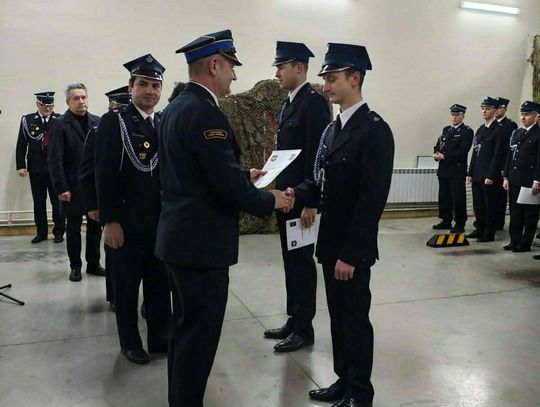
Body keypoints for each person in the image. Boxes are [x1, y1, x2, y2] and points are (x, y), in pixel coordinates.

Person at [156, 30, 293, 406]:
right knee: (198, 339)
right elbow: (225, 188)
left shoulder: (177, 107)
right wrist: (271, 200)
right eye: (231, 66)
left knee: (184, 332)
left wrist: (242, 175)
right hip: (201, 248)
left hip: (178, 240)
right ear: (214, 65)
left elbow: (195, 173)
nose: (234, 75)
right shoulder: (205, 112)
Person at [290, 43, 394, 407]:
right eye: (325, 79)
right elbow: (322, 183)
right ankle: (343, 380)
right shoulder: (334, 129)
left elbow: (371, 201)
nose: (326, 86)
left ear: (355, 78)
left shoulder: (374, 130)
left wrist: (351, 254)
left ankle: (360, 393)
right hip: (330, 243)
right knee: (338, 317)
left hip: (351, 249)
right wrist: (292, 193)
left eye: (332, 79)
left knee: (354, 319)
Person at [95, 55, 172, 365]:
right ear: (131, 87)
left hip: (159, 222)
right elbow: (104, 174)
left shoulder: (162, 121)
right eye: (143, 84)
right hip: (126, 223)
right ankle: (130, 343)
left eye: (155, 85)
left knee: (158, 284)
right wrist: (110, 220)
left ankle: (160, 338)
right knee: (126, 288)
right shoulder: (114, 122)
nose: (150, 91)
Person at [263, 41, 331, 352]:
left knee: (302, 264)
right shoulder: (290, 102)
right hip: (286, 197)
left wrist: (311, 202)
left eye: (281, 66)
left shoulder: (313, 103)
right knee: (290, 262)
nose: (277, 72)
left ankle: (304, 329)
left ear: (299, 68)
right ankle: (294, 319)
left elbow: (317, 156)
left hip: (301, 200)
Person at [79, 86, 132, 310]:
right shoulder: (98, 130)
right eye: (119, 107)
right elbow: (87, 172)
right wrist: (92, 205)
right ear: (111, 106)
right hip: (111, 203)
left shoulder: (142, 129)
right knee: (114, 253)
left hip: (136, 204)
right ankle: (114, 295)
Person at [48, 83, 104, 282]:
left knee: (95, 227)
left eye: (83, 97)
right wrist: (61, 188)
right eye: (76, 98)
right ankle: (75, 266)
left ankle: (93, 263)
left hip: (93, 188)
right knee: (73, 229)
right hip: (71, 188)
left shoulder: (97, 121)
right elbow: (54, 159)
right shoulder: (59, 124)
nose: (81, 101)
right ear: (68, 102)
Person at [16, 92, 65, 243]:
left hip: (55, 169)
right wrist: (21, 165)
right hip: (36, 168)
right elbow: (21, 143)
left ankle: (59, 231)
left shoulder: (60, 119)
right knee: (38, 202)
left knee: (57, 201)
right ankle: (41, 232)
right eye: (44, 105)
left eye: (50, 106)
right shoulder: (28, 120)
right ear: (38, 104)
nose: (48, 109)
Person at [502, 101, 540, 252]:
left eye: (527, 114)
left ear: (535, 116)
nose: (523, 117)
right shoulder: (517, 133)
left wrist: (537, 180)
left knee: (529, 214)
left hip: (529, 179)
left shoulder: (538, 133)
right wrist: (506, 176)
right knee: (515, 212)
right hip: (515, 178)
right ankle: (514, 240)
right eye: (522, 114)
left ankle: (525, 243)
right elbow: (510, 156)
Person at [466, 97, 505, 242]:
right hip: (477, 172)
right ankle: (479, 228)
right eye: (482, 108)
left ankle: (489, 232)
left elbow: (498, 155)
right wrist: (470, 172)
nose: (484, 111)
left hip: (488, 174)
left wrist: (491, 175)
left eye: (487, 109)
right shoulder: (481, 129)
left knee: (489, 205)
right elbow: (475, 152)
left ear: (495, 110)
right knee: (478, 204)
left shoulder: (499, 130)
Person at [432, 104, 473, 233]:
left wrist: (445, 156)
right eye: (453, 115)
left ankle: (460, 223)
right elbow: (438, 145)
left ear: (463, 116)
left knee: (458, 198)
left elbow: (463, 150)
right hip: (444, 169)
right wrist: (436, 153)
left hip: (456, 170)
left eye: (457, 115)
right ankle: (446, 220)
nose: (454, 117)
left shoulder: (466, 131)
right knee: (444, 197)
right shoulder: (446, 130)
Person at [494, 97, 518, 229]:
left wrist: (505, 168)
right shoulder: (492, 125)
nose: (497, 110)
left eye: (499, 108)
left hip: (502, 166)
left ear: (505, 109)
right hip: (491, 165)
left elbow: (509, 149)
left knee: (500, 196)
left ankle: (498, 222)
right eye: (495, 108)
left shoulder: (510, 125)